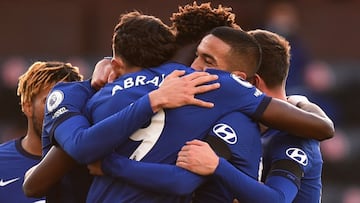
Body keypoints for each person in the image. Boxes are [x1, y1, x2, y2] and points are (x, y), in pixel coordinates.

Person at [25, 5, 333, 203]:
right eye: (197, 57)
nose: (197, 68)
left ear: (244, 79)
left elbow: (36, 184)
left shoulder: (91, 94)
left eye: (208, 61)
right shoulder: (217, 98)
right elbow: (183, 182)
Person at [175, 29, 326, 202]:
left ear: (250, 82)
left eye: (211, 63)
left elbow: (279, 199)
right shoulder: (241, 121)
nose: (195, 68)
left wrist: (217, 166)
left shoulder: (293, 137)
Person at [0, 61, 82, 202]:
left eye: (69, 101)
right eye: (51, 101)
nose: (60, 110)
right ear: (28, 107)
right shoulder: (2, 162)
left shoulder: (91, 162)